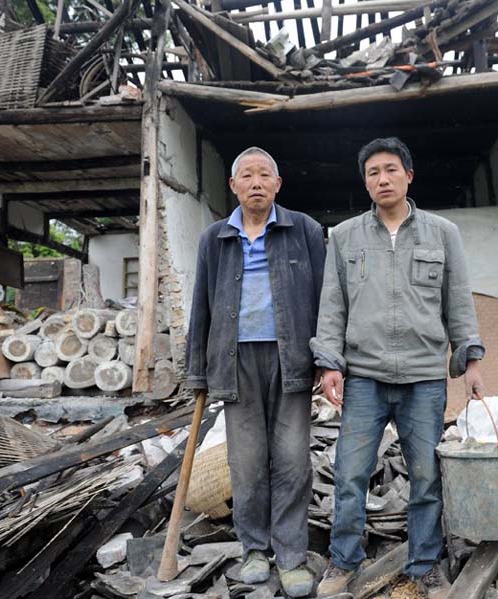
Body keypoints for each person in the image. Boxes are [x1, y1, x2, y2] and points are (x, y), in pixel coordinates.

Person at [311, 137, 485, 599]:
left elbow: (459, 301)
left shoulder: (442, 233)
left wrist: (471, 360)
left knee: (426, 475)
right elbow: (332, 306)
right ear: (365, 182)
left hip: (424, 375)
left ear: (409, 175)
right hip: (364, 376)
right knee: (350, 473)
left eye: (390, 169)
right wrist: (330, 363)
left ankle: (425, 565)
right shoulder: (344, 236)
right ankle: (343, 561)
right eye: (372, 173)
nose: (381, 179)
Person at [185, 147, 326, 597]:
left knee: (290, 459)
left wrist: (329, 359)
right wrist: (197, 373)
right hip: (235, 360)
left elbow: (326, 298)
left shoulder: (303, 229)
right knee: (246, 463)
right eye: (247, 175)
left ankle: (291, 556)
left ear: (278, 184)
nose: (257, 182)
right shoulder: (214, 238)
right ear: (234, 186)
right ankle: (254, 550)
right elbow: (201, 307)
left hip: (293, 359)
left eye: (265, 174)